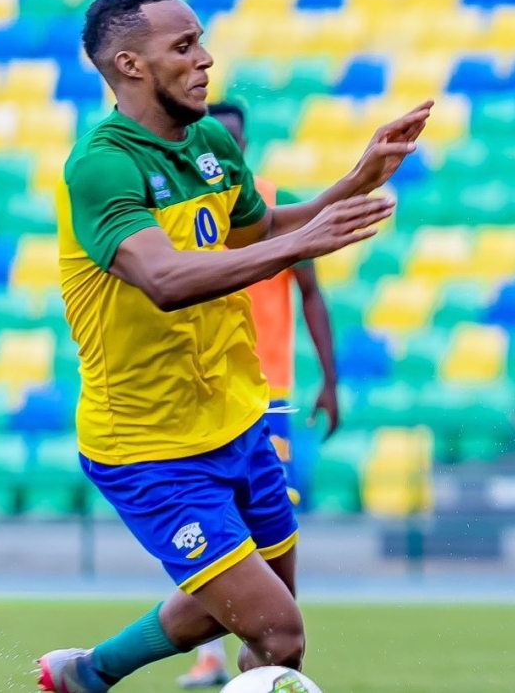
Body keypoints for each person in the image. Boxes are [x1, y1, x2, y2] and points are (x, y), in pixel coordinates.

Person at [36, 0, 431, 690]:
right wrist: (299, 246)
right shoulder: (101, 167)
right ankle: (93, 673)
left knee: (270, 638)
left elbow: (264, 234)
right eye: (183, 46)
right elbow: (161, 277)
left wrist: (353, 182)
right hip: (150, 447)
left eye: (201, 40)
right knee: (277, 627)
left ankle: (90, 675)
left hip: (239, 420)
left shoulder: (211, 144)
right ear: (129, 64)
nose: (206, 58)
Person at [172, 100, 344, 690]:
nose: (230, 151)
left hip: (270, 394)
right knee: (218, 530)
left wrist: (331, 379)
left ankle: (270, 653)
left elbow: (312, 292)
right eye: (221, 140)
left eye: (237, 141)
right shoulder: (181, 207)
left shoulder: (267, 204)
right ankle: (226, 656)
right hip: (204, 394)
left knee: (265, 531)